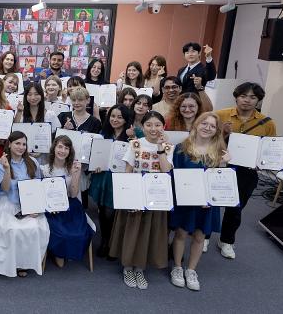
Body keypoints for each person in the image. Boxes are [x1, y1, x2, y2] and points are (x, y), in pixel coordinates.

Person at [109, 111, 173, 290]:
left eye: (157, 125)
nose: (153, 129)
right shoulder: (135, 144)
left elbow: (166, 170)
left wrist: (160, 148)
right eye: (149, 125)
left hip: (155, 198)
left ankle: (140, 268)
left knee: (147, 233)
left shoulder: (168, 147)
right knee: (132, 232)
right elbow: (128, 171)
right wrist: (129, 199)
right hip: (135, 196)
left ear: (163, 127)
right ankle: (128, 267)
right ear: (142, 127)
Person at [214, 82, 275, 259]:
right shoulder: (221, 115)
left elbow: (269, 149)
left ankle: (226, 240)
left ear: (258, 100)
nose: (247, 100)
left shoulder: (267, 123)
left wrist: (263, 163)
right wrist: (223, 133)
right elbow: (207, 139)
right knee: (212, 203)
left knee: (236, 207)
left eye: (252, 97)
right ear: (236, 97)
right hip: (220, 165)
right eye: (243, 96)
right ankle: (206, 236)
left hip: (246, 171)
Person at [170, 112, 229, 291]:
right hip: (186, 201)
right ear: (196, 124)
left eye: (212, 126)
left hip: (206, 203)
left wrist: (223, 164)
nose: (207, 128)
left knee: (200, 236)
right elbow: (176, 176)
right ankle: (178, 267)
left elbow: (220, 182)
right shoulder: (181, 148)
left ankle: (191, 270)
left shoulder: (219, 152)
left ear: (216, 131)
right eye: (204, 123)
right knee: (180, 233)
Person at [0, 131, 50, 277]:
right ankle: (12, 264)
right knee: (11, 229)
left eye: (24, 144)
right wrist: (6, 169)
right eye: (17, 143)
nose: (21, 147)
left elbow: (38, 187)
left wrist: (35, 208)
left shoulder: (32, 162)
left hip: (29, 204)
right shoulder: (0, 163)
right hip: (7, 203)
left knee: (34, 228)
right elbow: (4, 189)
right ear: (9, 144)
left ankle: (25, 263)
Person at [41, 135, 95, 267]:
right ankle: (59, 253)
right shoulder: (44, 169)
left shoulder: (73, 167)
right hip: (51, 206)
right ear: (54, 148)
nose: (62, 150)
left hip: (71, 204)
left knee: (79, 233)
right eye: (60, 146)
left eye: (66, 148)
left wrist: (75, 174)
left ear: (70, 152)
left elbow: (73, 193)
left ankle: (66, 252)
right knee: (61, 232)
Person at [89, 104, 133, 260]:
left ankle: (114, 242)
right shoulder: (103, 133)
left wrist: (133, 138)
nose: (115, 119)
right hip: (103, 177)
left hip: (120, 179)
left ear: (126, 119)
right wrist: (95, 165)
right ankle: (105, 240)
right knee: (103, 211)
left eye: (120, 117)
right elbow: (96, 155)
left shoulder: (132, 135)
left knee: (112, 213)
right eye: (113, 116)